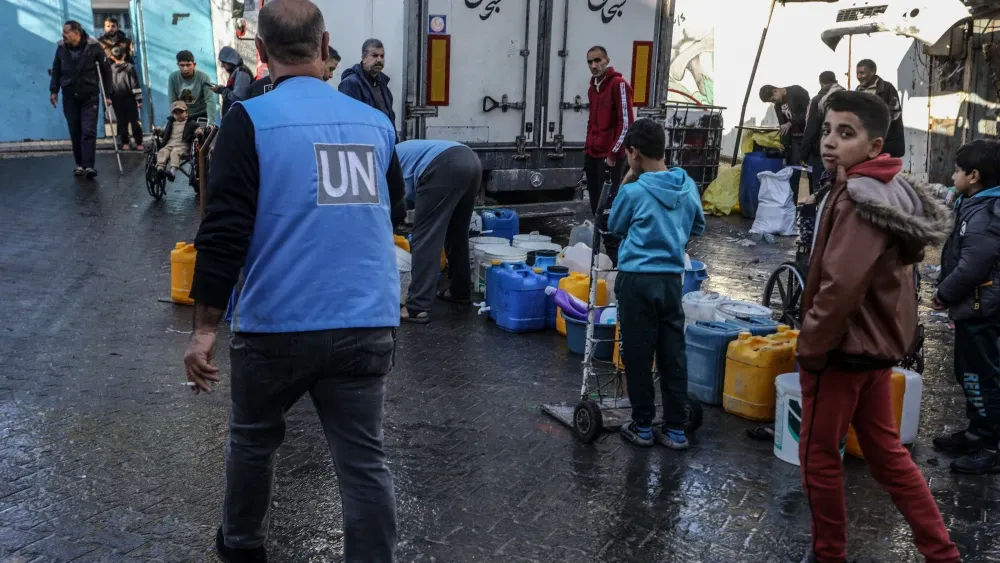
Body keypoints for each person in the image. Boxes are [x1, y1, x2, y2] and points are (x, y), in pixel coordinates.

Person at [182, 0, 406, 560]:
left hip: (276, 325)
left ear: (260, 54)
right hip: (366, 321)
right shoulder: (377, 125)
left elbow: (224, 230)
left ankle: (242, 547)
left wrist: (203, 329)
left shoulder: (250, 121)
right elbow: (394, 211)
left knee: (253, 443)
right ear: (325, 44)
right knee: (364, 460)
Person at [796, 90, 959, 563]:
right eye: (827, 130)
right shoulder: (884, 189)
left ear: (874, 146)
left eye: (846, 134)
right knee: (887, 453)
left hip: (842, 352)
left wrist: (811, 348)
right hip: (873, 350)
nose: (830, 143)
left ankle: (829, 555)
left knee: (819, 457)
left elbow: (841, 286)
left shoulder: (859, 198)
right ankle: (941, 552)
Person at [608, 118, 705, 450]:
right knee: (672, 353)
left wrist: (627, 181)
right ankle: (676, 429)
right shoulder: (688, 186)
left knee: (637, 353)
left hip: (636, 281)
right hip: (670, 282)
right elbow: (699, 226)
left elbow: (616, 225)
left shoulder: (634, 191)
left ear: (634, 153)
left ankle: (644, 426)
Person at [931, 138, 1000, 475]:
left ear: (974, 176)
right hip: (972, 307)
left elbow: (974, 265)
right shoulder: (972, 202)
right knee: (968, 372)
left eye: (957, 171)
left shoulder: (986, 212)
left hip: (981, 308)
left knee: (980, 376)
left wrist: (944, 293)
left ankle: (991, 445)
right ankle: (977, 431)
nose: (952, 175)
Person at [397, 140, 482, 324]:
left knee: (426, 236)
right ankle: (460, 291)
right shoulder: (393, 153)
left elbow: (392, 209)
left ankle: (417, 306)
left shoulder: (380, 166)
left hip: (442, 165)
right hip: (470, 159)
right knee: (457, 233)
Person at [584, 45, 634, 266]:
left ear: (607, 60)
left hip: (610, 158)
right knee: (596, 209)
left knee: (609, 210)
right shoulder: (593, 87)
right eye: (590, 62)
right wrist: (587, 149)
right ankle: (599, 259)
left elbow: (626, 123)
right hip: (593, 155)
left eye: (597, 60)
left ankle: (615, 262)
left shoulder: (619, 84)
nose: (594, 65)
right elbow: (591, 122)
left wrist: (613, 154)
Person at [49, 20, 112, 179]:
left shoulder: (93, 46)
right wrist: (54, 91)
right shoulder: (61, 48)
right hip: (69, 95)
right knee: (75, 131)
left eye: (66, 31)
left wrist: (108, 94)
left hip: (89, 95)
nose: (63, 34)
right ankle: (79, 164)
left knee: (88, 131)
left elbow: (106, 70)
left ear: (76, 33)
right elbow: (56, 69)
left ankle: (89, 166)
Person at [759, 83, 810, 197]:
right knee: (794, 172)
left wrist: (791, 123)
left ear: (775, 91)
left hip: (808, 138)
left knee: (810, 171)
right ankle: (794, 202)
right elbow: (783, 126)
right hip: (794, 139)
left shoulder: (797, 91)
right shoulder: (777, 106)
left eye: (772, 99)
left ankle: (810, 204)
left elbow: (808, 112)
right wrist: (783, 143)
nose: (773, 102)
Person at [800, 71, 844, 195]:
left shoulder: (819, 100)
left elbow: (811, 129)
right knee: (839, 187)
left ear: (821, 83)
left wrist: (804, 153)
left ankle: (821, 212)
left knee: (821, 187)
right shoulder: (848, 96)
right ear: (835, 80)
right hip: (844, 150)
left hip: (823, 151)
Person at [338, 38, 394, 125]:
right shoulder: (351, 83)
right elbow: (348, 122)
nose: (379, 60)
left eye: (382, 56)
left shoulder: (383, 85)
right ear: (364, 58)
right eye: (374, 55)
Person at [856, 59, 905, 158]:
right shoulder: (859, 90)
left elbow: (894, 113)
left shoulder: (887, 88)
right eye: (857, 73)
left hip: (886, 144)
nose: (859, 76)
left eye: (862, 73)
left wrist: (873, 121)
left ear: (872, 71)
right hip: (868, 144)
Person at [248, 46, 340, 98]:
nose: (331, 75)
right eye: (330, 69)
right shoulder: (315, 95)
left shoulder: (256, 86)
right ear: (320, 62)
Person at [108, 46, 144, 151]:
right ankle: (139, 143)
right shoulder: (130, 67)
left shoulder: (110, 69)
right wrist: (139, 99)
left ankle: (125, 144)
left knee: (121, 121)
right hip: (130, 98)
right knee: (135, 121)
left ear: (112, 57)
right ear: (124, 55)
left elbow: (108, 85)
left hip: (116, 99)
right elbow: (135, 84)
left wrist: (108, 97)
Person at [168, 50, 217, 124]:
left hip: (201, 114)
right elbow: (173, 100)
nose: (185, 69)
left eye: (188, 65)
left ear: (194, 65)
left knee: (202, 134)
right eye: (182, 65)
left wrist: (211, 123)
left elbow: (210, 100)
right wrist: (176, 117)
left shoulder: (203, 77)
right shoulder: (173, 77)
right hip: (182, 115)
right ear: (178, 65)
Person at [154, 101, 198, 181]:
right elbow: (164, 133)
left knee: (175, 152)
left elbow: (196, 130)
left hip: (183, 146)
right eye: (176, 113)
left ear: (186, 112)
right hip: (169, 145)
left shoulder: (191, 123)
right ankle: (160, 169)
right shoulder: (170, 123)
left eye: (181, 112)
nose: (178, 115)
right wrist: (158, 131)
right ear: (173, 114)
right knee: (162, 151)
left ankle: (173, 172)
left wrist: (198, 132)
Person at [212, 46, 254, 117]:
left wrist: (222, 90)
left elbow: (238, 98)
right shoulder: (236, 71)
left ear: (231, 61)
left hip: (238, 118)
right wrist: (221, 89)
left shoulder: (242, 72)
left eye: (223, 62)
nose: (222, 65)